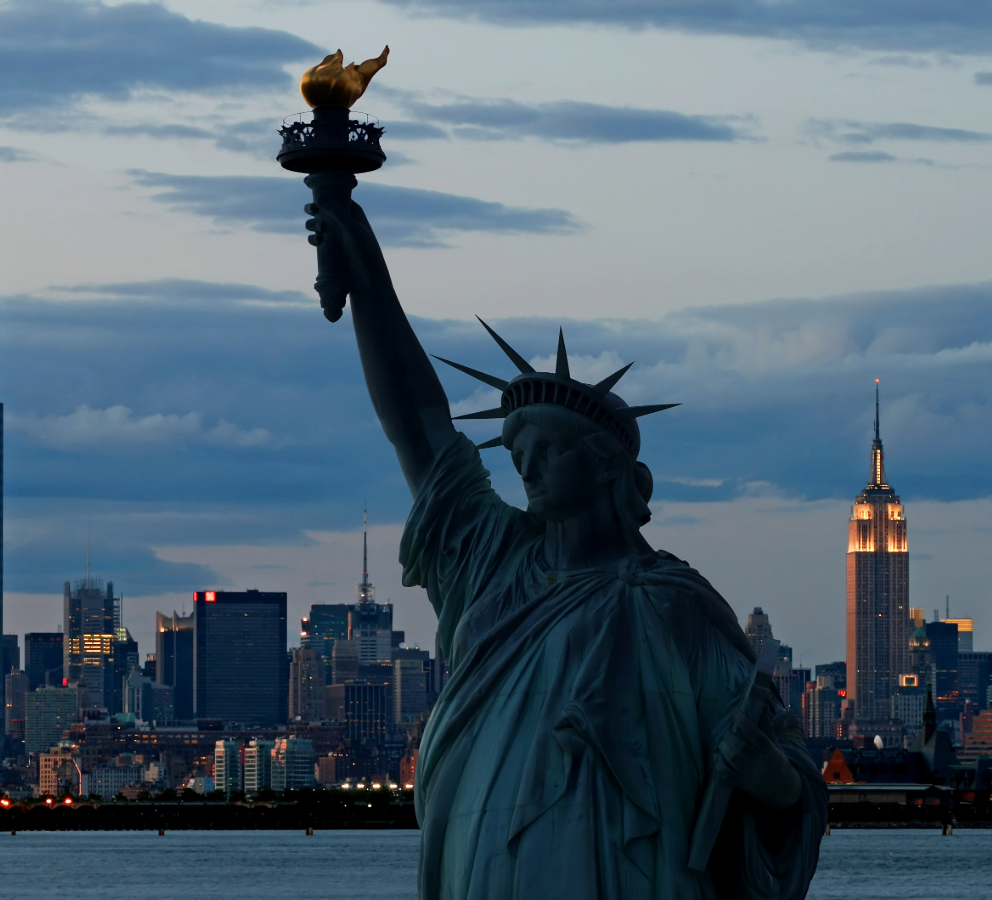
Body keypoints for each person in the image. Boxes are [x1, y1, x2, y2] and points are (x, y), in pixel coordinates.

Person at [303, 186, 825, 900]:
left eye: (549, 449)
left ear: (607, 467)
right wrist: (368, 279)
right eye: (518, 452)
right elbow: (417, 425)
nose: (527, 467)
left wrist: (771, 780)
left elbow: (782, 768)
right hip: (488, 871)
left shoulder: (675, 607)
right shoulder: (495, 562)